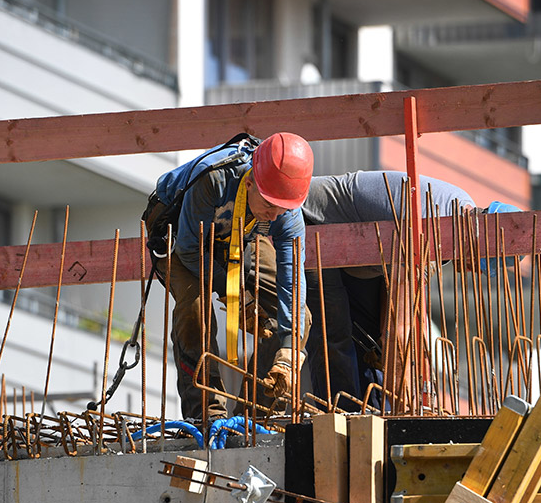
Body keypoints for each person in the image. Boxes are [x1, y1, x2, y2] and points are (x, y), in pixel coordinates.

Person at [301, 170, 520, 411]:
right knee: (333, 331)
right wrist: (403, 411)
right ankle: (341, 420)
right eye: (476, 263)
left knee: (371, 347)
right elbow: (399, 330)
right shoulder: (428, 233)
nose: (470, 270)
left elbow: (397, 308)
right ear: (477, 240)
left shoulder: (456, 214)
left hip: (360, 256)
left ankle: (370, 416)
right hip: (314, 224)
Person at [144, 132, 313, 423]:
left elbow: (292, 280)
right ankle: (206, 414)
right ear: (249, 183)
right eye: (271, 206)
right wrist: (237, 298)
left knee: (300, 317)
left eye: (283, 209)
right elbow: (190, 249)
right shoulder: (213, 180)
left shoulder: (283, 208)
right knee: (194, 309)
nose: (275, 216)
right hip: (181, 236)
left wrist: (289, 350)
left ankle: (257, 415)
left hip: (240, 234)